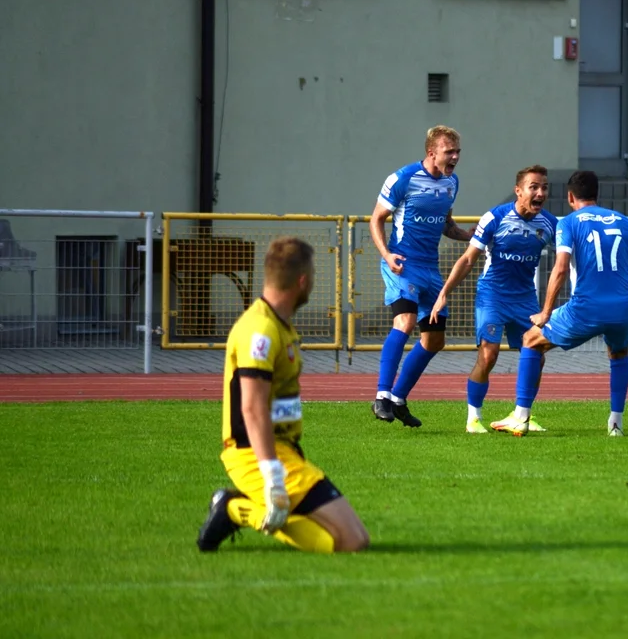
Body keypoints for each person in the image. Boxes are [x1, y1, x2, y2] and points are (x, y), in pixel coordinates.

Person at [197, 237, 369, 554]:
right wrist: (272, 475)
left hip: (285, 451)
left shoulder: (278, 324)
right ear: (302, 281)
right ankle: (234, 509)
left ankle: (240, 507)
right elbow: (251, 407)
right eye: (314, 276)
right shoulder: (259, 330)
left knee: (355, 537)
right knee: (351, 542)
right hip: (254, 454)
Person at [517, 170, 628, 437]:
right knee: (618, 353)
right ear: (597, 194)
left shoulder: (568, 223)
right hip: (623, 309)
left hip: (586, 307)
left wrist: (545, 312)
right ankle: (616, 424)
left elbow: (560, 269)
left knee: (531, 340)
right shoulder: (626, 223)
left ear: (570, 196)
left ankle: (520, 416)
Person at [431, 165, 558, 435]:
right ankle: (473, 418)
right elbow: (467, 259)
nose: (540, 193)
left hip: (525, 298)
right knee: (488, 356)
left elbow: (567, 260)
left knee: (537, 357)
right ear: (518, 190)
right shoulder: (495, 217)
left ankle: (522, 415)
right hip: (493, 296)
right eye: (533, 187)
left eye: (544, 187)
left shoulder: (549, 224)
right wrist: (443, 294)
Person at [369, 125, 472, 428]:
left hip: (431, 269)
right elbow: (376, 218)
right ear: (431, 152)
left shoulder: (452, 182)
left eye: (457, 152)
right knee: (406, 321)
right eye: (448, 151)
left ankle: (398, 399)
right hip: (403, 263)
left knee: (435, 339)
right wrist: (387, 255)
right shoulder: (403, 178)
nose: (454, 157)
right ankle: (382, 395)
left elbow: (446, 224)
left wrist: (467, 235)